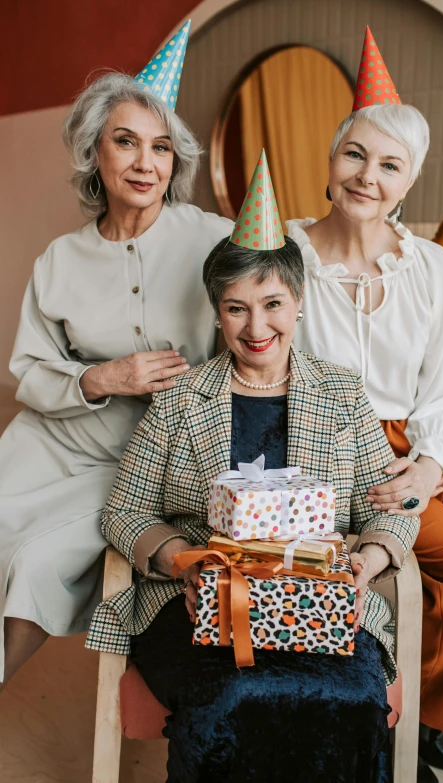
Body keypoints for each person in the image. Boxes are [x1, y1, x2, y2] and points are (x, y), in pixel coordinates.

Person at [86, 154, 420, 783]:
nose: (256, 326)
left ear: (297, 303)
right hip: (196, 609)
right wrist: (179, 562)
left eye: (271, 304)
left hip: (322, 604)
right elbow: (123, 511)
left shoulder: (344, 394)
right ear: (217, 312)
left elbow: (391, 509)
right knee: (233, 696)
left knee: (349, 695)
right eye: (236, 308)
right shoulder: (183, 399)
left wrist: (365, 565)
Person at [288, 26, 443, 783]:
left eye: (390, 165)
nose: (368, 175)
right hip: (335, 448)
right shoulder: (285, 255)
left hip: (417, 440)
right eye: (355, 154)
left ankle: (442, 697)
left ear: (408, 181)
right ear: (330, 164)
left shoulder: (431, 267)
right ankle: (406, 712)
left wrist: (428, 464)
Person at [0, 23, 233, 691]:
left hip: (143, 464)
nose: (144, 163)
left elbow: (277, 310)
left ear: (175, 160)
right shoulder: (59, 260)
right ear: (93, 152)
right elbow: (32, 371)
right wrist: (103, 377)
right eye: (125, 142)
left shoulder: (217, 242)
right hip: (48, 445)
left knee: (37, 560)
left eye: (160, 147)